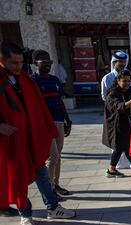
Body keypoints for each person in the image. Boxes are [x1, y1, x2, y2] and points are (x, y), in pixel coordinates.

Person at [0, 42, 75, 225]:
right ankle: (25, 214)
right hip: (10, 140)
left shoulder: (24, 79)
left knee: (41, 172)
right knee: (17, 177)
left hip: (31, 135)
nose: (18, 67)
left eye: (20, 62)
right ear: (2, 60)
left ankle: (53, 207)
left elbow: (37, 105)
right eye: (14, 63)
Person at [31, 50, 72, 198]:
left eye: (50, 62)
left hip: (58, 120)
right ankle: (48, 190)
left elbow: (60, 101)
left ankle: (55, 184)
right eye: (44, 62)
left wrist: (67, 120)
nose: (48, 64)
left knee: (58, 155)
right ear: (35, 63)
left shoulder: (54, 80)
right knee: (52, 156)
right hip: (43, 123)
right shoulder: (32, 81)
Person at [103, 69, 131, 177]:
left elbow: (130, 105)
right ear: (118, 81)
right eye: (124, 81)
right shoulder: (113, 93)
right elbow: (117, 107)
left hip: (124, 122)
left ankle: (111, 169)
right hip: (115, 123)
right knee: (124, 146)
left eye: (129, 81)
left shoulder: (127, 90)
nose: (127, 83)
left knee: (121, 146)